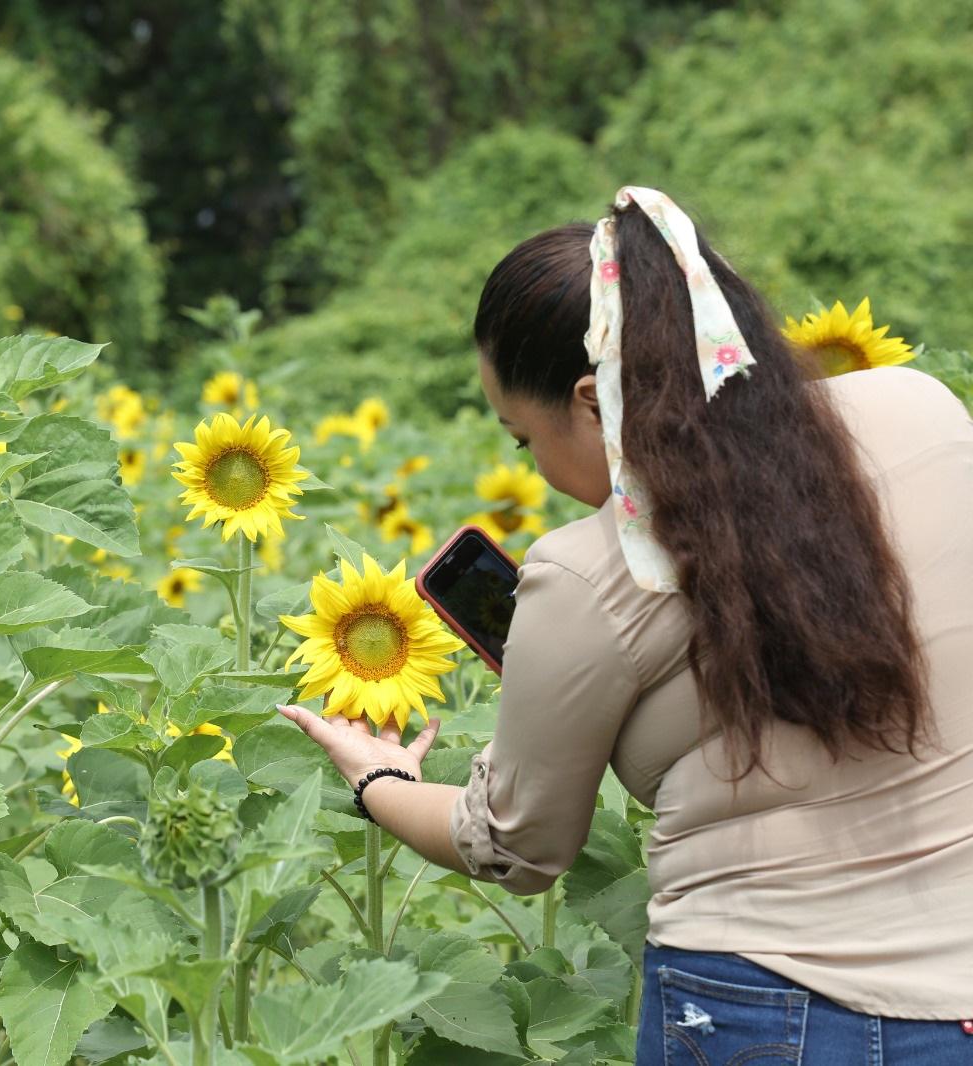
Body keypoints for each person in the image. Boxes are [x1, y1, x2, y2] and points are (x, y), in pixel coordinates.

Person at [277, 186, 973, 1064]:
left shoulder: (590, 573)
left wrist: (378, 780)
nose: (533, 472)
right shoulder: (925, 410)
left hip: (765, 1007)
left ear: (590, 400)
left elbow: (517, 846)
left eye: (523, 440)